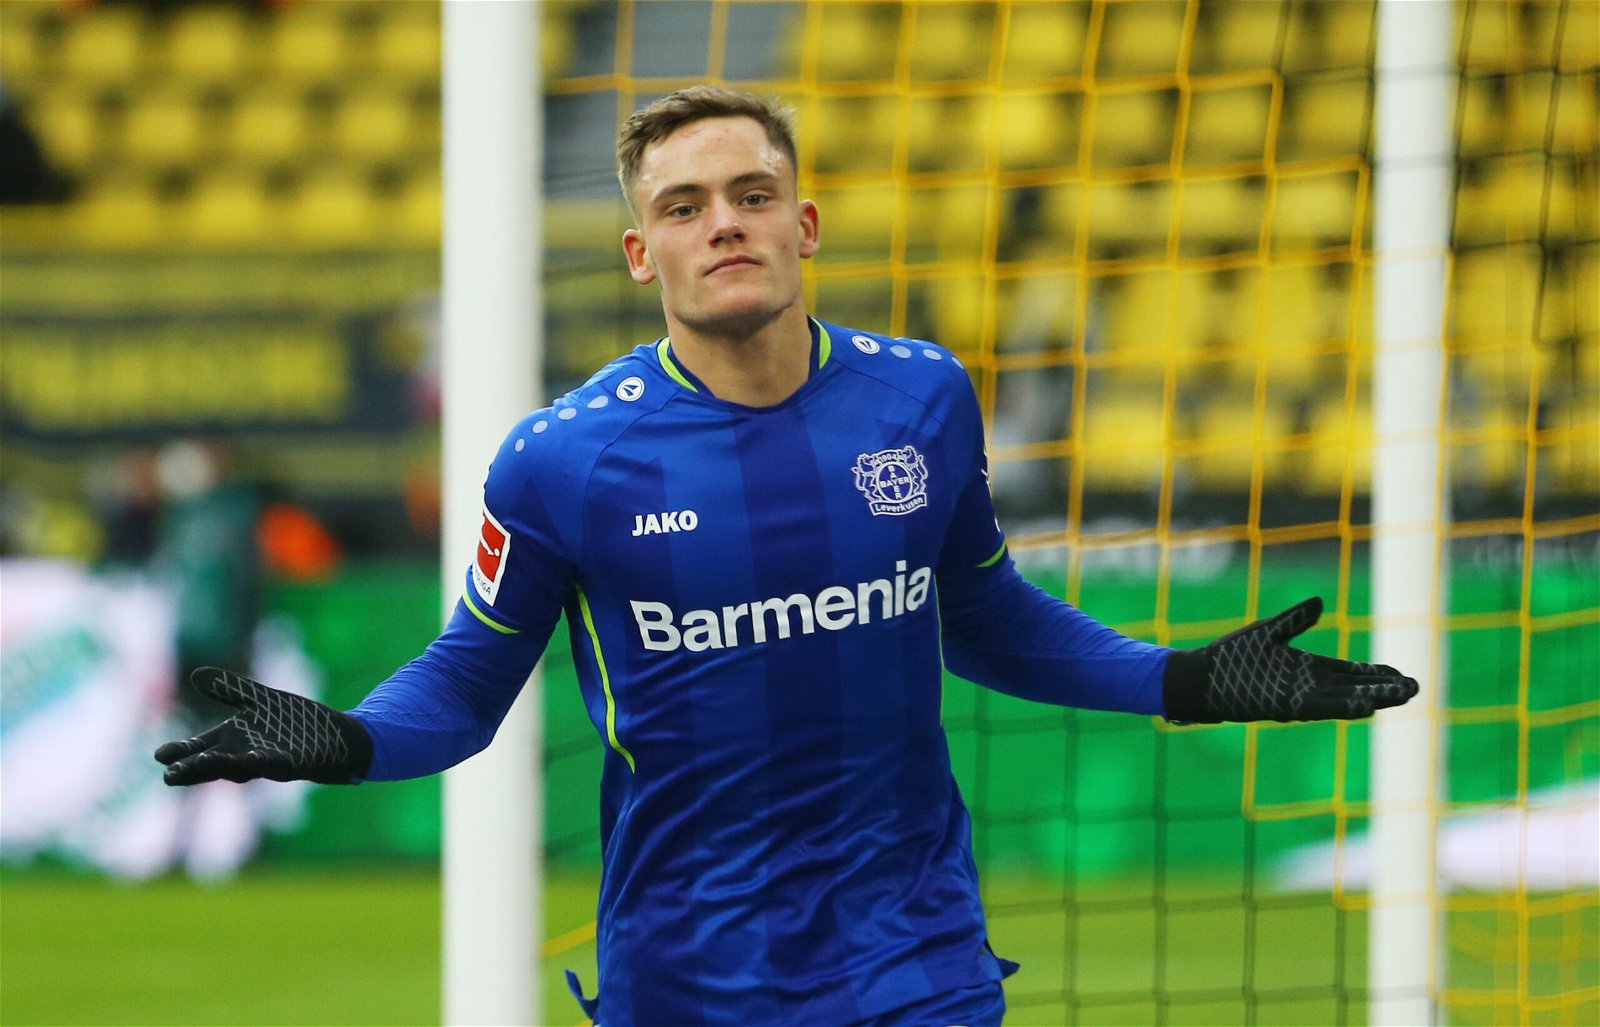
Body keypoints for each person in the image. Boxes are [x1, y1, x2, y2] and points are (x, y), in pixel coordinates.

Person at [155, 86, 1418, 1027]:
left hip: (914, 953)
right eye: (682, 206)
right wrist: (355, 740)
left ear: (803, 222)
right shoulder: (560, 462)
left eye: (752, 194)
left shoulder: (922, 398)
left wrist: (1182, 678)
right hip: (688, 973)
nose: (725, 224)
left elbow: (983, 615)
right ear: (641, 253)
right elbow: (465, 683)